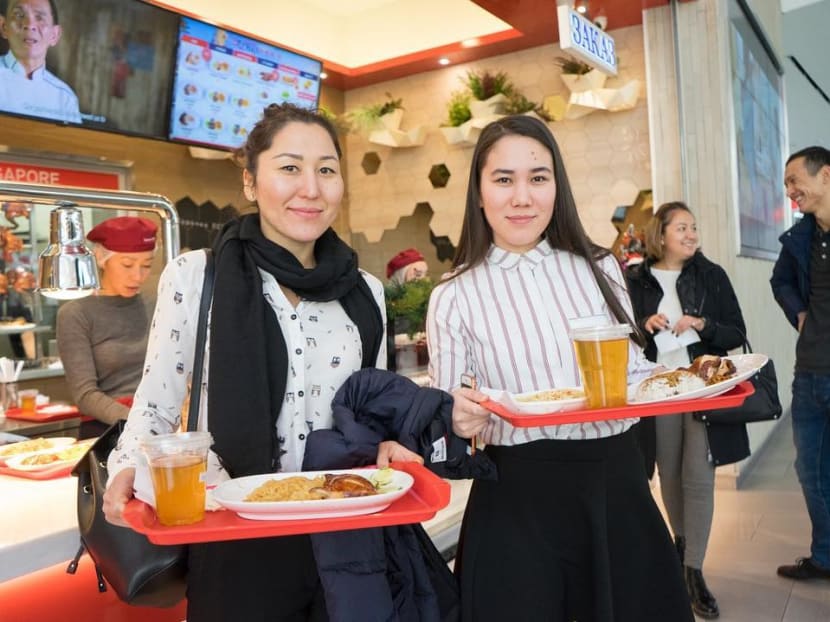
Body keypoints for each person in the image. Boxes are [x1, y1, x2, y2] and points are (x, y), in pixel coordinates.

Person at [102, 103, 422, 622]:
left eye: (326, 170)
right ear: (251, 182)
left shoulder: (365, 292)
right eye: (290, 167)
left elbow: (373, 408)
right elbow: (156, 406)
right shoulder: (196, 277)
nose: (311, 188)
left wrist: (393, 443)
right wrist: (124, 467)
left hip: (345, 531)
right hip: (232, 530)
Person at [426, 114, 693, 622]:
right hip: (517, 500)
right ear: (479, 194)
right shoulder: (453, 295)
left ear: (557, 186)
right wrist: (457, 421)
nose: (522, 197)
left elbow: (632, 373)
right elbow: (447, 429)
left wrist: (683, 380)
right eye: (503, 180)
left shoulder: (600, 267)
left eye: (538, 178)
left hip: (616, 485)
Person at [626, 201, 748, 619]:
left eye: (694, 227)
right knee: (670, 474)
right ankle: (681, 551)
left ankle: (694, 569)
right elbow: (619, 332)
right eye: (683, 228)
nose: (692, 234)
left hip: (702, 389)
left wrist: (701, 325)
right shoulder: (635, 279)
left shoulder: (711, 275)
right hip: (658, 390)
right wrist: (644, 326)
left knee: (699, 476)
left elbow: (736, 331)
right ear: (660, 234)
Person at [770, 145, 830, 581]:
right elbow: (781, 280)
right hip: (809, 374)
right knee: (810, 472)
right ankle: (825, 557)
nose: (790, 190)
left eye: (795, 180)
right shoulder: (801, 237)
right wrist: (798, 312)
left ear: (825, 176)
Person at [56, 216, 158, 439]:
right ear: (103, 259)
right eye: (127, 264)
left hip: (157, 421)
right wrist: (139, 422)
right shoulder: (76, 314)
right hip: (107, 431)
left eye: (146, 265)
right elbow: (86, 396)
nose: (137, 276)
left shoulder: (156, 304)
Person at [0, 0, 81, 124]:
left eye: (39, 17)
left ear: (54, 35)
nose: (29, 24)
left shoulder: (64, 98)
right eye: (19, 15)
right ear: (4, 27)